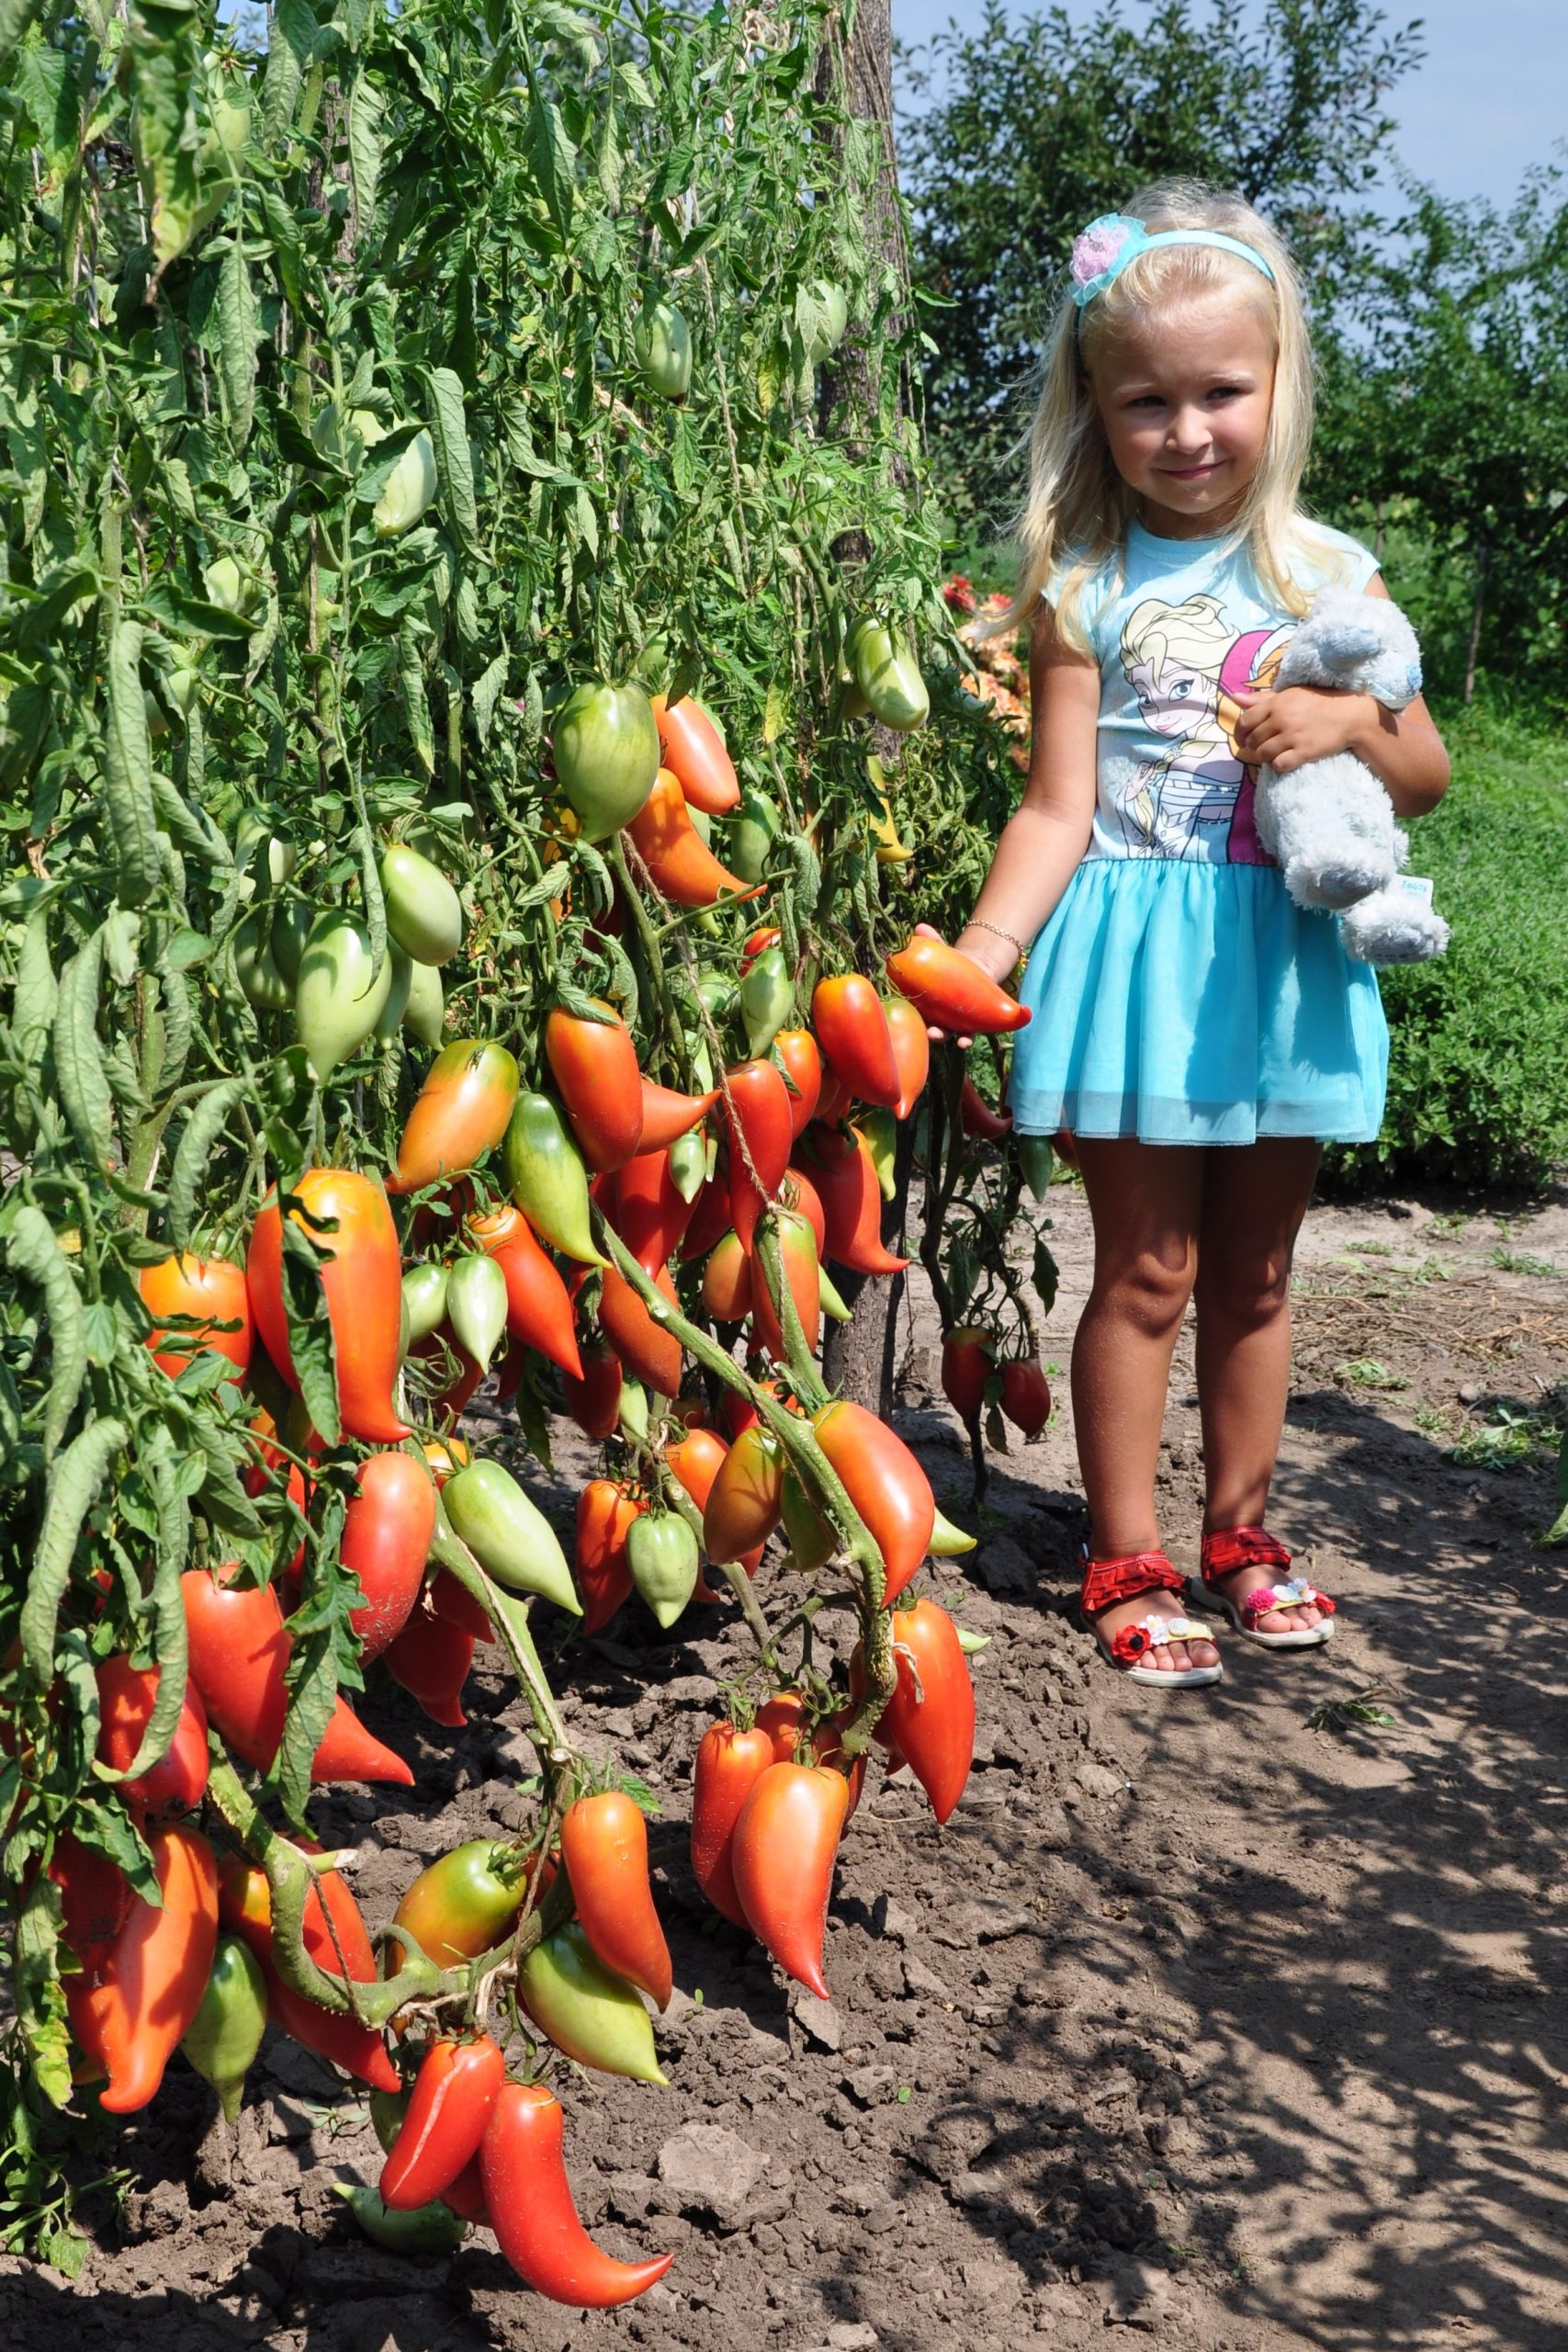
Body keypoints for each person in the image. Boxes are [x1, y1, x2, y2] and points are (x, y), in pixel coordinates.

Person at [950, 182, 1450, 1687]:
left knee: (1259, 1277)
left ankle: (1244, 1533)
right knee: (1145, 1273)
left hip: (1282, 962)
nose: (1188, 432)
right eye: (1146, 401)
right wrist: (980, 957)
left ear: (1278, 385)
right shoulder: (1086, 588)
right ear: (1094, 407)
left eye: (1221, 392)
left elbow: (1420, 773)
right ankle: (1125, 1553)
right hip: (1134, 966)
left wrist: (1345, 719)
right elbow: (1054, 811)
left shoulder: (1332, 579)